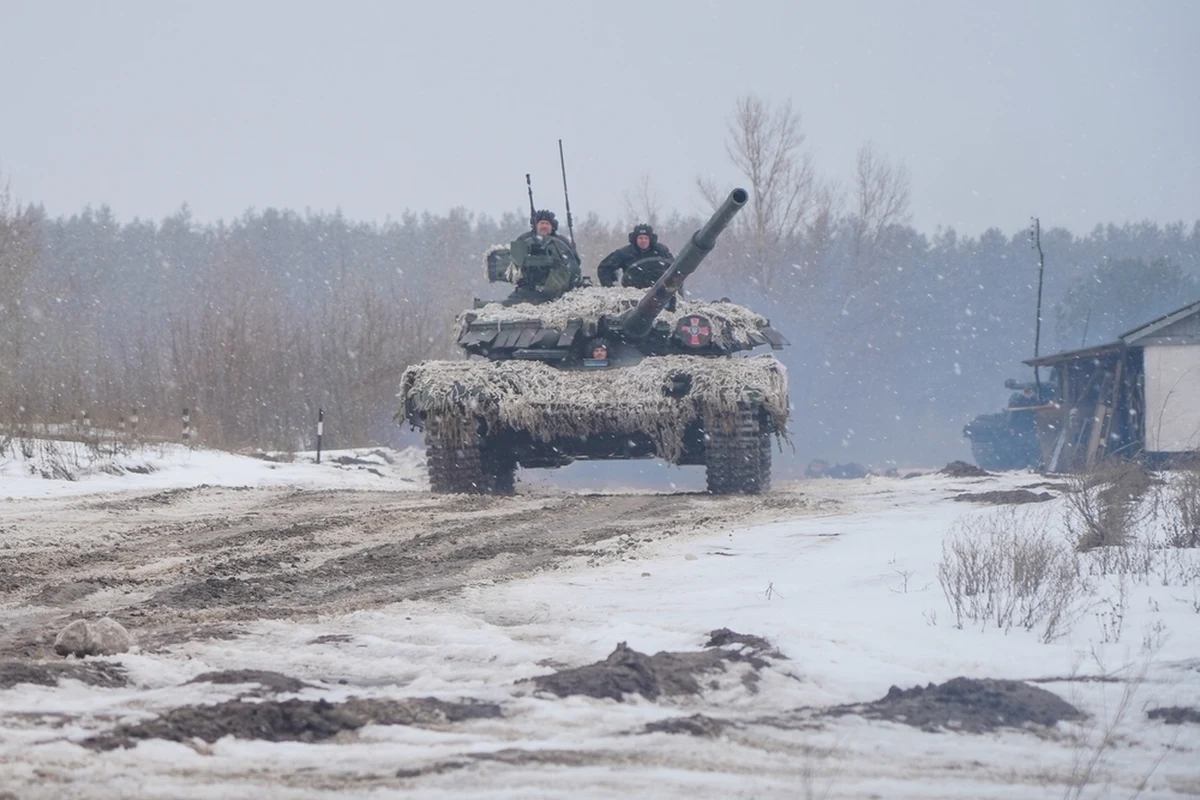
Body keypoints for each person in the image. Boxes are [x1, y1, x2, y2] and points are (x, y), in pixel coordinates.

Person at [500, 210, 582, 306]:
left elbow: (574, 265)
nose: (544, 226)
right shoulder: (523, 240)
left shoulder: (562, 242)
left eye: (547, 223)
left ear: (552, 226)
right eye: (541, 223)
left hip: (558, 289)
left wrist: (557, 264)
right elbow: (514, 267)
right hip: (527, 290)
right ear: (535, 225)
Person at [597, 223, 674, 290]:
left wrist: (671, 287)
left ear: (650, 239)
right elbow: (604, 268)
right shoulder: (625, 253)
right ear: (635, 239)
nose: (643, 240)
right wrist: (611, 287)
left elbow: (675, 269)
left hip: (658, 292)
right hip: (632, 293)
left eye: (646, 238)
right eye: (640, 238)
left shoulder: (661, 251)